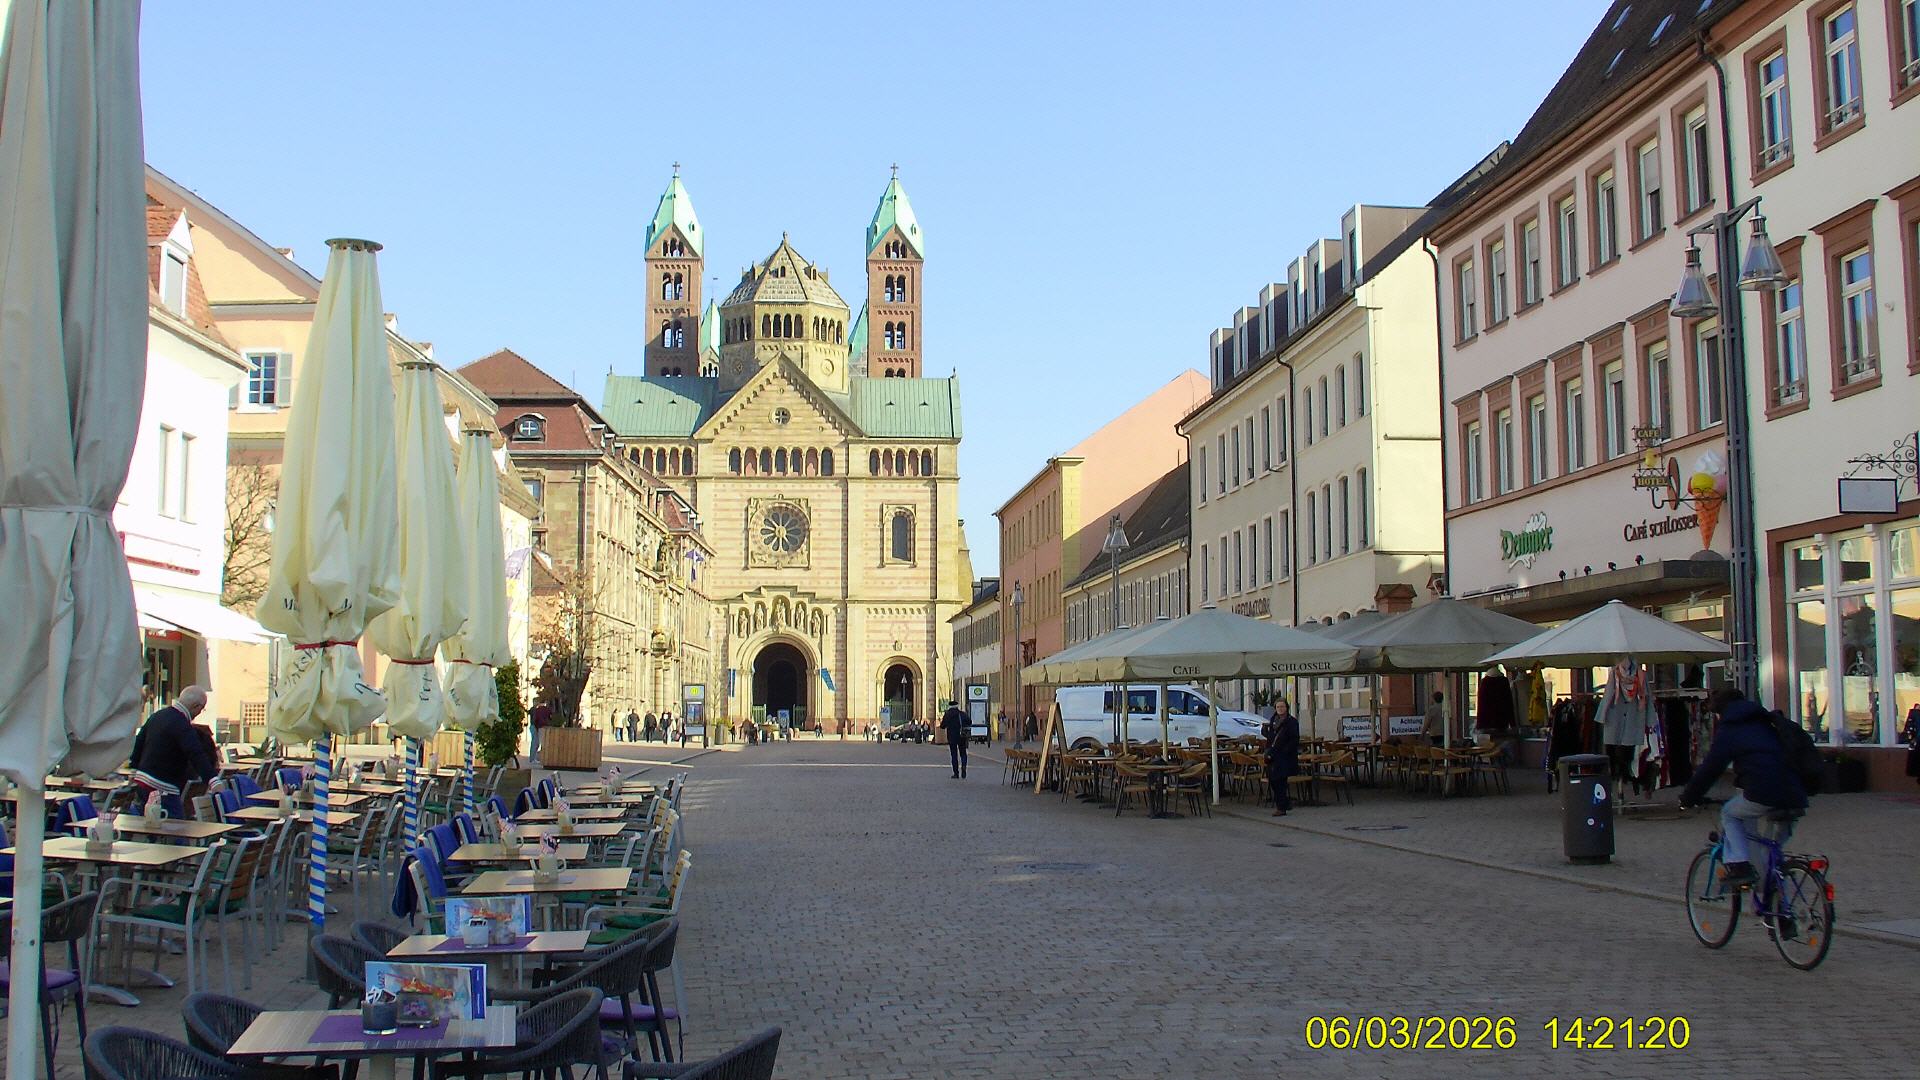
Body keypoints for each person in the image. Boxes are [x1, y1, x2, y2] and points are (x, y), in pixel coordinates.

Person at [1680, 688, 1808, 888]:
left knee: (1729, 813)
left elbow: (1711, 768)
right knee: (1772, 851)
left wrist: (1688, 797)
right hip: (1795, 792)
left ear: (1721, 711)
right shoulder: (1766, 721)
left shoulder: (1730, 729)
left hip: (1764, 792)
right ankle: (1775, 891)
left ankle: (1740, 865)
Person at [129, 686, 219, 819]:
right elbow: (196, 753)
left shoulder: (157, 716)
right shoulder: (182, 724)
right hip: (164, 786)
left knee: (146, 821)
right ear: (196, 706)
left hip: (142, 780)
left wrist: (134, 767)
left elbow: (139, 742)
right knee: (177, 826)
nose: (200, 713)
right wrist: (213, 779)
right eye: (202, 709)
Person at [1263, 696, 1299, 816]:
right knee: (1273, 780)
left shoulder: (1291, 721)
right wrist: (1265, 732)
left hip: (1285, 756)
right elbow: (1271, 738)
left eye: (1282, 706)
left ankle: (1281, 807)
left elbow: (1294, 739)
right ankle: (1285, 803)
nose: (1280, 709)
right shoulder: (1273, 720)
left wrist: (1285, 750)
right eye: (1278, 707)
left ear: (1286, 708)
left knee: (1281, 781)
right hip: (1273, 755)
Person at [940, 700, 970, 779]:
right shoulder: (962, 714)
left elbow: (942, 726)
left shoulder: (947, 714)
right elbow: (969, 721)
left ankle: (956, 773)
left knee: (954, 755)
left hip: (952, 737)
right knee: (963, 753)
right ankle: (964, 767)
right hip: (962, 736)